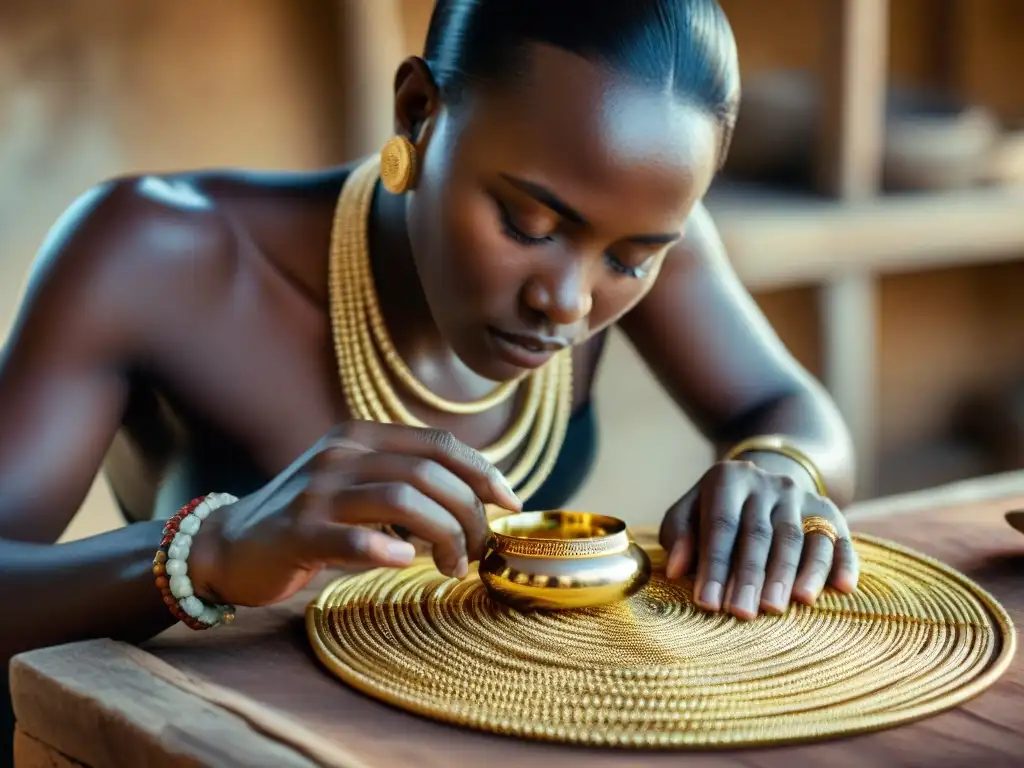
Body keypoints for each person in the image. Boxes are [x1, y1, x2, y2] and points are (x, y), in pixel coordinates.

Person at [0, 0, 859, 750]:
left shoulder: (638, 245)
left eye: (632, 260)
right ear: (417, 112)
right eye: (527, 223)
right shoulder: (153, 252)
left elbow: (788, 408)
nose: (568, 302)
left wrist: (778, 469)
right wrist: (215, 551)